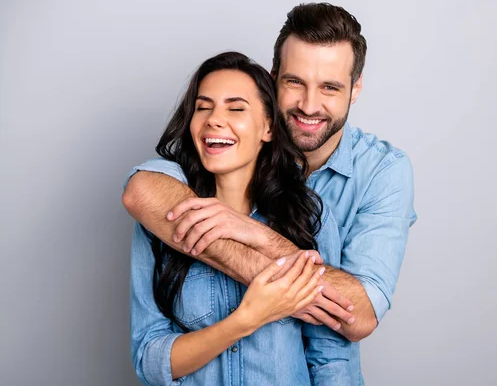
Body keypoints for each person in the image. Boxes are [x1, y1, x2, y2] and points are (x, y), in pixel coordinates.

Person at [123, 2, 417, 385]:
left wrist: (254, 234)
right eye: (295, 82)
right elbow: (141, 190)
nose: (309, 105)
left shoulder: (330, 204)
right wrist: (252, 313)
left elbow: (350, 326)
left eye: (329, 86)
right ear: (274, 80)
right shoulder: (179, 191)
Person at [127, 51, 353, 385]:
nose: (214, 120)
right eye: (203, 107)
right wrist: (246, 319)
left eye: (235, 108)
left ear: (268, 128)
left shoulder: (308, 216)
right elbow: (150, 358)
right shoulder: (166, 219)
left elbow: (332, 359)